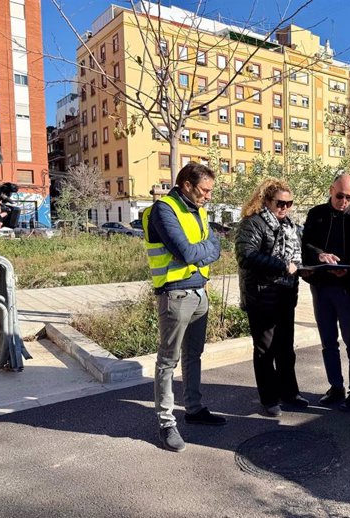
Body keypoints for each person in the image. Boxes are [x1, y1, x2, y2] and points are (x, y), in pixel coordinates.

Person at [142, 162, 225, 453]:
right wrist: (203, 252)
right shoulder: (163, 210)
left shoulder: (198, 210)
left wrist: (202, 252)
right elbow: (187, 251)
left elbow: (216, 245)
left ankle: (194, 408)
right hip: (175, 294)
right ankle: (166, 423)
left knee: (194, 355)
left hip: (200, 292)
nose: (208, 196)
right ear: (187, 185)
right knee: (168, 361)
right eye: (205, 190)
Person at [235, 178, 308, 417]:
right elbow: (246, 255)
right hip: (261, 296)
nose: (285, 207)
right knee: (265, 349)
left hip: (285, 294)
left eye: (289, 203)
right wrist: (280, 266)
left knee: (286, 348)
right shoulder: (253, 223)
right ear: (266, 201)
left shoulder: (289, 226)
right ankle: (269, 398)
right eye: (280, 202)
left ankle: (290, 393)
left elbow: (301, 254)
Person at [302, 174, 350, 411]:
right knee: (328, 341)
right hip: (321, 287)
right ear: (331, 190)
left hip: (346, 287)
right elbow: (305, 243)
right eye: (340, 196)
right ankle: (336, 386)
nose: (344, 201)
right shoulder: (316, 213)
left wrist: (349, 270)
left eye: (349, 197)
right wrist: (319, 254)